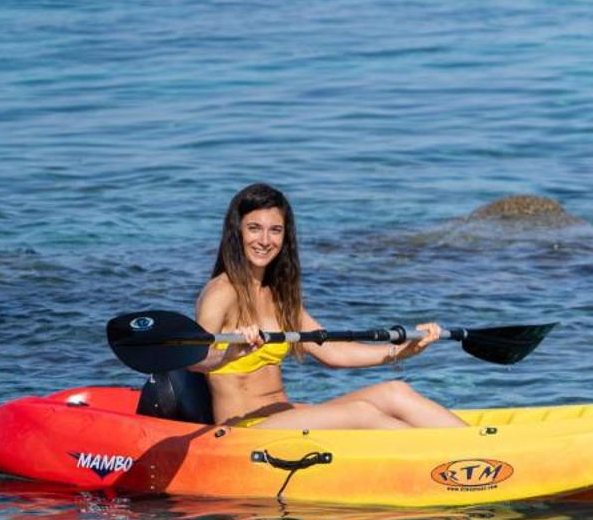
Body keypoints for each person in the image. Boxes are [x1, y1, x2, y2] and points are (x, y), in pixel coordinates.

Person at [193, 182, 466, 429]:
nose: (265, 241)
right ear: (237, 232)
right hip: (244, 431)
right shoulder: (222, 291)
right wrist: (230, 353)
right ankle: (443, 466)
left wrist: (401, 351)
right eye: (254, 228)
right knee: (360, 413)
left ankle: (482, 452)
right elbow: (193, 358)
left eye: (275, 230)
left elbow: (334, 352)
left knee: (395, 392)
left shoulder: (278, 296)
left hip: (286, 417)